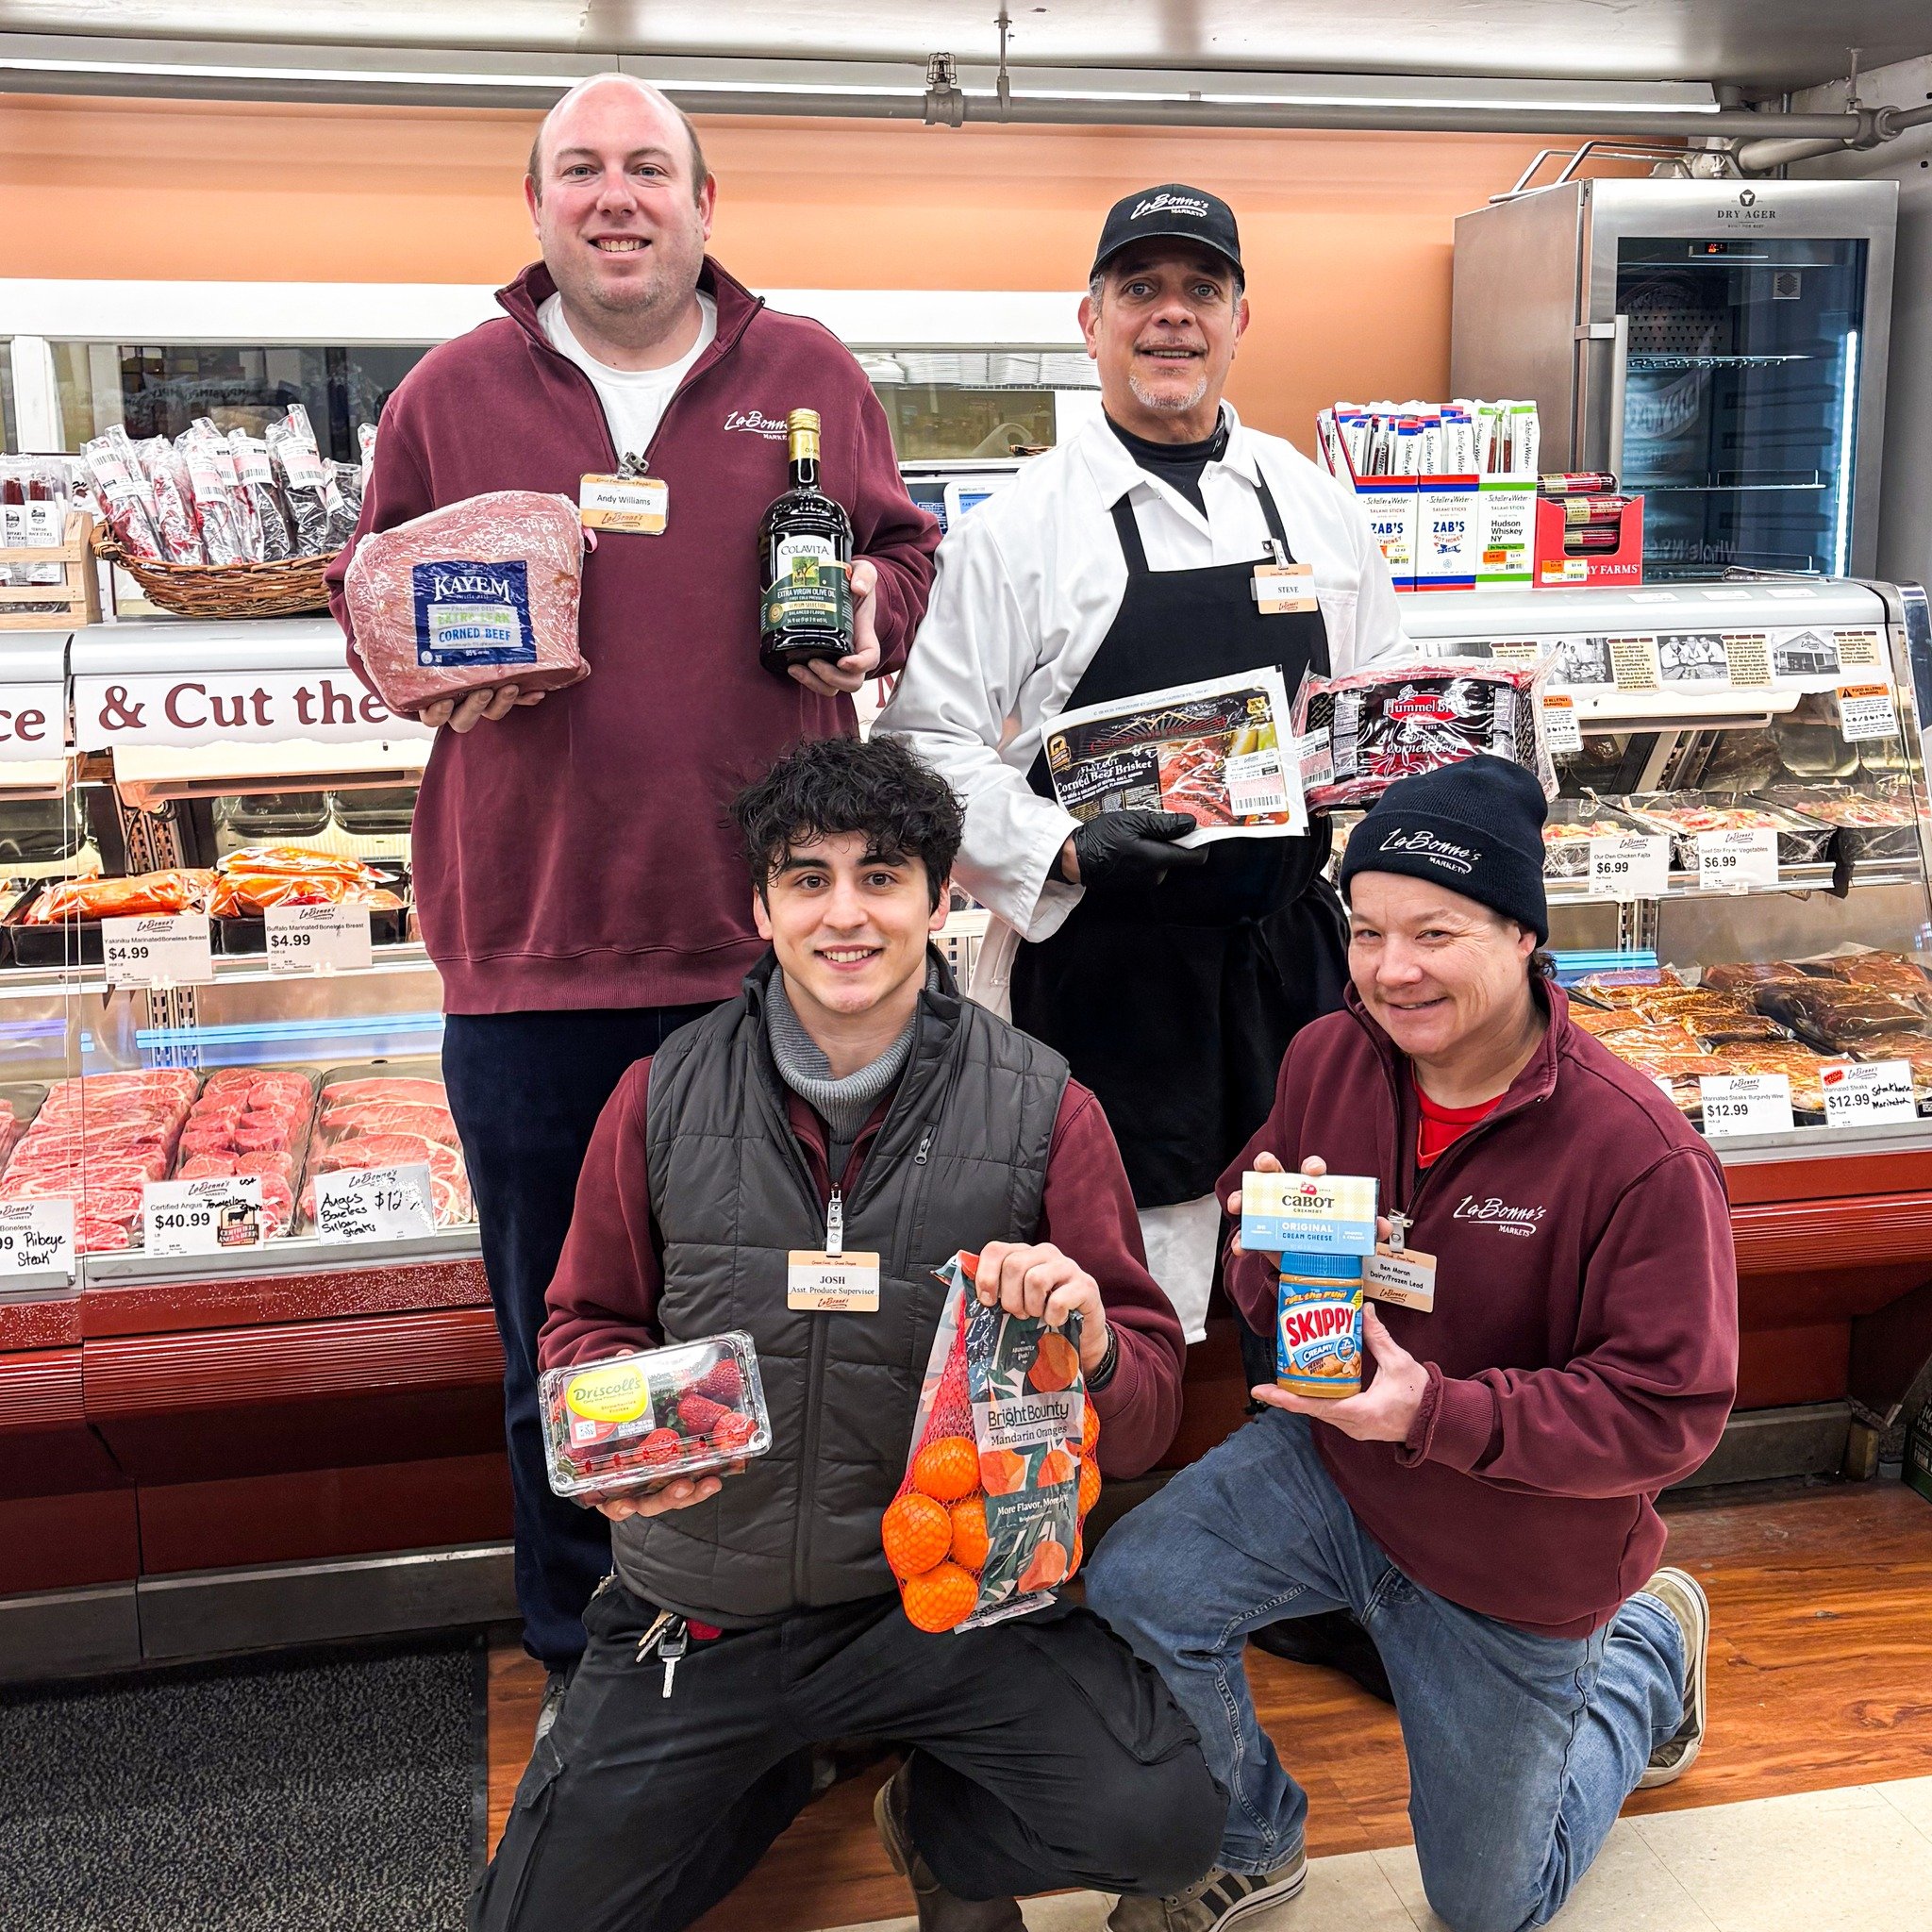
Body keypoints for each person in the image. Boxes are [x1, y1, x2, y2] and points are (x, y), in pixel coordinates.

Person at [325, 75, 939, 1706]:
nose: (616, 196)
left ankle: (786, 1634)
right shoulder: (452, 388)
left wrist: (865, 614)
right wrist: (414, 667)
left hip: (783, 951)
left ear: (703, 200)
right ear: (536, 208)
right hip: (531, 951)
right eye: (581, 169)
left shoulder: (803, 371)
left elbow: (902, 552)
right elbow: (369, 589)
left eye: (646, 168)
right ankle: (590, 1646)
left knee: (800, 1317)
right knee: (567, 1344)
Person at [475, 736, 1223, 1932]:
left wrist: (1087, 1339)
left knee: (1166, 1820)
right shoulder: (657, 1094)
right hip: (702, 1611)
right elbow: (583, 1324)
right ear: (758, 905)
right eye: (806, 877)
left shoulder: (1043, 1104)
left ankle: (937, 1831)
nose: (845, 914)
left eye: (881, 877)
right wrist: (619, 1436)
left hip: (944, 1600)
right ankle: (774, 1764)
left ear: (940, 899)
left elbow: (1142, 1416)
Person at [1086, 756, 1739, 1932]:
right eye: (1367, 928)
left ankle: (1642, 1648)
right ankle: (1249, 1834)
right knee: (1137, 1584)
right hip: (1331, 1467)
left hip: (1514, 1549)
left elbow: (1667, 1411)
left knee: (1488, 1904)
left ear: (1523, 934)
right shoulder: (1327, 1056)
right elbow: (1261, 1260)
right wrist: (1261, 1246)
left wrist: (1432, 1411)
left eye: (1434, 931)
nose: (1392, 969)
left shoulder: (1634, 1149)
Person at [879, 182, 1409, 1345]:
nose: (1171, 317)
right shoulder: (1020, 525)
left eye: (1200, 291)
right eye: (1140, 290)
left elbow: (1380, 705)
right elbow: (921, 746)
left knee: (1312, 1275)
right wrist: (1056, 842)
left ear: (1238, 320)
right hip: (1105, 975)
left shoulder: (1314, 506)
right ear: (1091, 319)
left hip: (1292, 972)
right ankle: (1123, 1521)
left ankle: (1294, 1501)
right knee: (1118, 1306)